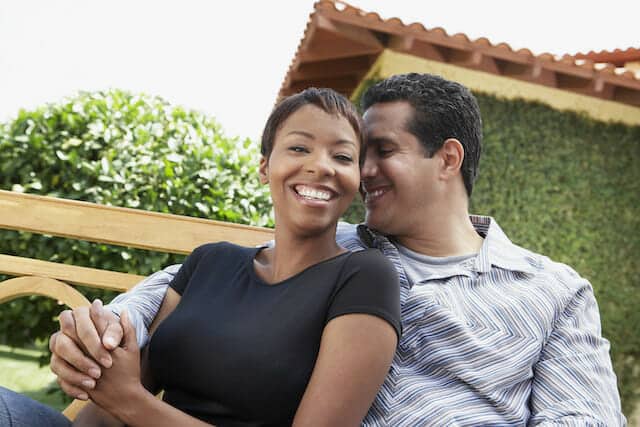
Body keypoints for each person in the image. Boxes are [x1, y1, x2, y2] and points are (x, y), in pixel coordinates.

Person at [48, 73, 625, 425]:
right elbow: (170, 291)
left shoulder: (553, 290)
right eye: (357, 154)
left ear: (447, 159)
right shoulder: (333, 249)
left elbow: (580, 419)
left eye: (378, 151)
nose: (357, 173)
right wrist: (96, 333)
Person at [0, 88, 401, 426]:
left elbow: (126, 398)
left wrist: (129, 400)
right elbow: (111, 400)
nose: (320, 166)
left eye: (342, 157)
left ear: (357, 181)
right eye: (299, 147)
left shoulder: (364, 276)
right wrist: (91, 360)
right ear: (265, 166)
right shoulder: (210, 262)